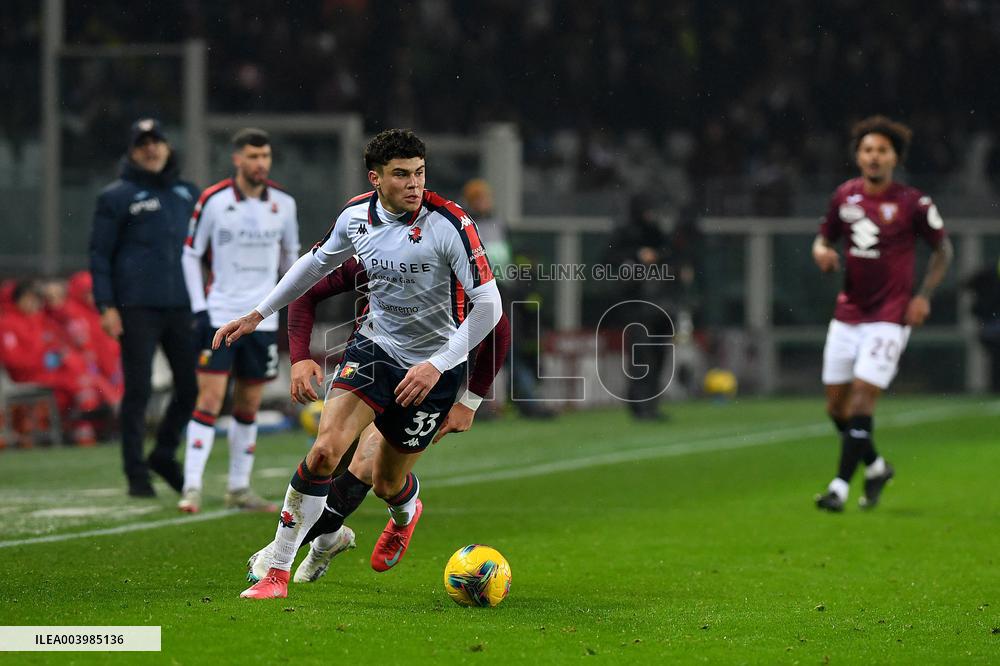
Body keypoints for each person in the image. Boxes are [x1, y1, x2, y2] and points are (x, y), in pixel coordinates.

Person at [214, 128, 502, 599]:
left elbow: (491, 308)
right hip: (374, 351)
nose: (414, 184)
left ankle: (406, 511)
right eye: (401, 175)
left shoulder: (450, 224)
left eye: (420, 173)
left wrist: (446, 371)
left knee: (388, 481)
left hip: (435, 367)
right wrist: (257, 314)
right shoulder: (356, 216)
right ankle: (277, 573)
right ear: (376, 178)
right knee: (326, 450)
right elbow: (313, 266)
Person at [243, 255, 511, 584]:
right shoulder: (376, 250)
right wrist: (300, 358)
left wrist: (470, 402)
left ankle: (393, 519)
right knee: (327, 453)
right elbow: (307, 290)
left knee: (381, 480)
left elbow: (499, 326)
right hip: (371, 359)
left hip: (430, 378)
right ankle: (283, 552)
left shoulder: (453, 261)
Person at [813, 115, 953, 512]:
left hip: (890, 317)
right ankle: (875, 467)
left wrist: (923, 296)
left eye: (882, 150)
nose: (874, 157)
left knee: (861, 401)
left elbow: (944, 250)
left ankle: (839, 487)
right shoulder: (844, 197)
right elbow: (823, 240)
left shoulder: (914, 203)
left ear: (895, 158)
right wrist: (822, 253)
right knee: (835, 408)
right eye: (868, 150)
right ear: (858, 157)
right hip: (848, 314)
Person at [177, 128, 300, 513]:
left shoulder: (284, 204)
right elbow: (190, 254)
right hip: (219, 316)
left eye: (265, 156)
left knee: (248, 404)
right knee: (210, 400)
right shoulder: (212, 201)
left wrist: (286, 309)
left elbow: (293, 261)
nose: (260, 164)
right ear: (237, 160)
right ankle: (192, 487)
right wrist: (200, 309)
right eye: (252, 156)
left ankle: (238, 488)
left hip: (261, 320)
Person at [89, 118, 200, 497]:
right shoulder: (116, 196)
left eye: (157, 142)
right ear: (132, 151)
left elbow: (205, 250)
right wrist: (105, 305)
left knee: (191, 386)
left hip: (183, 305)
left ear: (168, 147)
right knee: (137, 390)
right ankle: (136, 473)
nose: (151, 149)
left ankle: (164, 453)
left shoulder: (189, 193)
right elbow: (100, 254)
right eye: (143, 144)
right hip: (135, 307)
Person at [606, 193, 674, 420]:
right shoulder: (625, 233)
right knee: (642, 355)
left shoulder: (658, 234)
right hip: (636, 303)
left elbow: (673, 255)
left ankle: (651, 404)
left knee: (658, 354)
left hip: (661, 303)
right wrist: (636, 257)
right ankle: (640, 405)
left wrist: (660, 257)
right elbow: (607, 259)